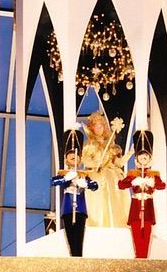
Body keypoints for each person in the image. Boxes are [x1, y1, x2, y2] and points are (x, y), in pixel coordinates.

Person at [117, 129, 166, 259]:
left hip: (148, 206)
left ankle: (144, 258)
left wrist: (152, 183)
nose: (143, 158)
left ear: (149, 158)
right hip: (136, 205)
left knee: (147, 234)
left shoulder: (153, 174)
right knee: (136, 234)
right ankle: (138, 257)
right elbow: (121, 185)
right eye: (141, 156)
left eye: (146, 156)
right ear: (137, 158)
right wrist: (133, 181)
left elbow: (162, 186)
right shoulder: (133, 174)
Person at [50, 128, 97, 258]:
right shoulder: (64, 173)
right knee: (70, 235)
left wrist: (86, 184)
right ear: (66, 158)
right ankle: (73, 256)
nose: (73, 156)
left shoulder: (83, 174)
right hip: (68, 208)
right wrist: (66, 178)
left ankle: (78, 256)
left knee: (79, 236)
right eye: (70, 154)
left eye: (75, 155)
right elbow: (53, 181)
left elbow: (95, 185)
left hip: (80, 208)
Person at [80, 109, 126, 228]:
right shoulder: (90, 144)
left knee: (113, 180)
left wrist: (116, 154)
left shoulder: (109, 143)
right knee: (97, 184)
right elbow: (85, 159)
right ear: (92, 128)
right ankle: (97, 221)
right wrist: (96, 164)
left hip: (109, 172)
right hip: (95, 172)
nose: (99, 128)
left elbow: (116, 161)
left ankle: (114, 220)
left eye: (101, 126)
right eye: (96, 126)